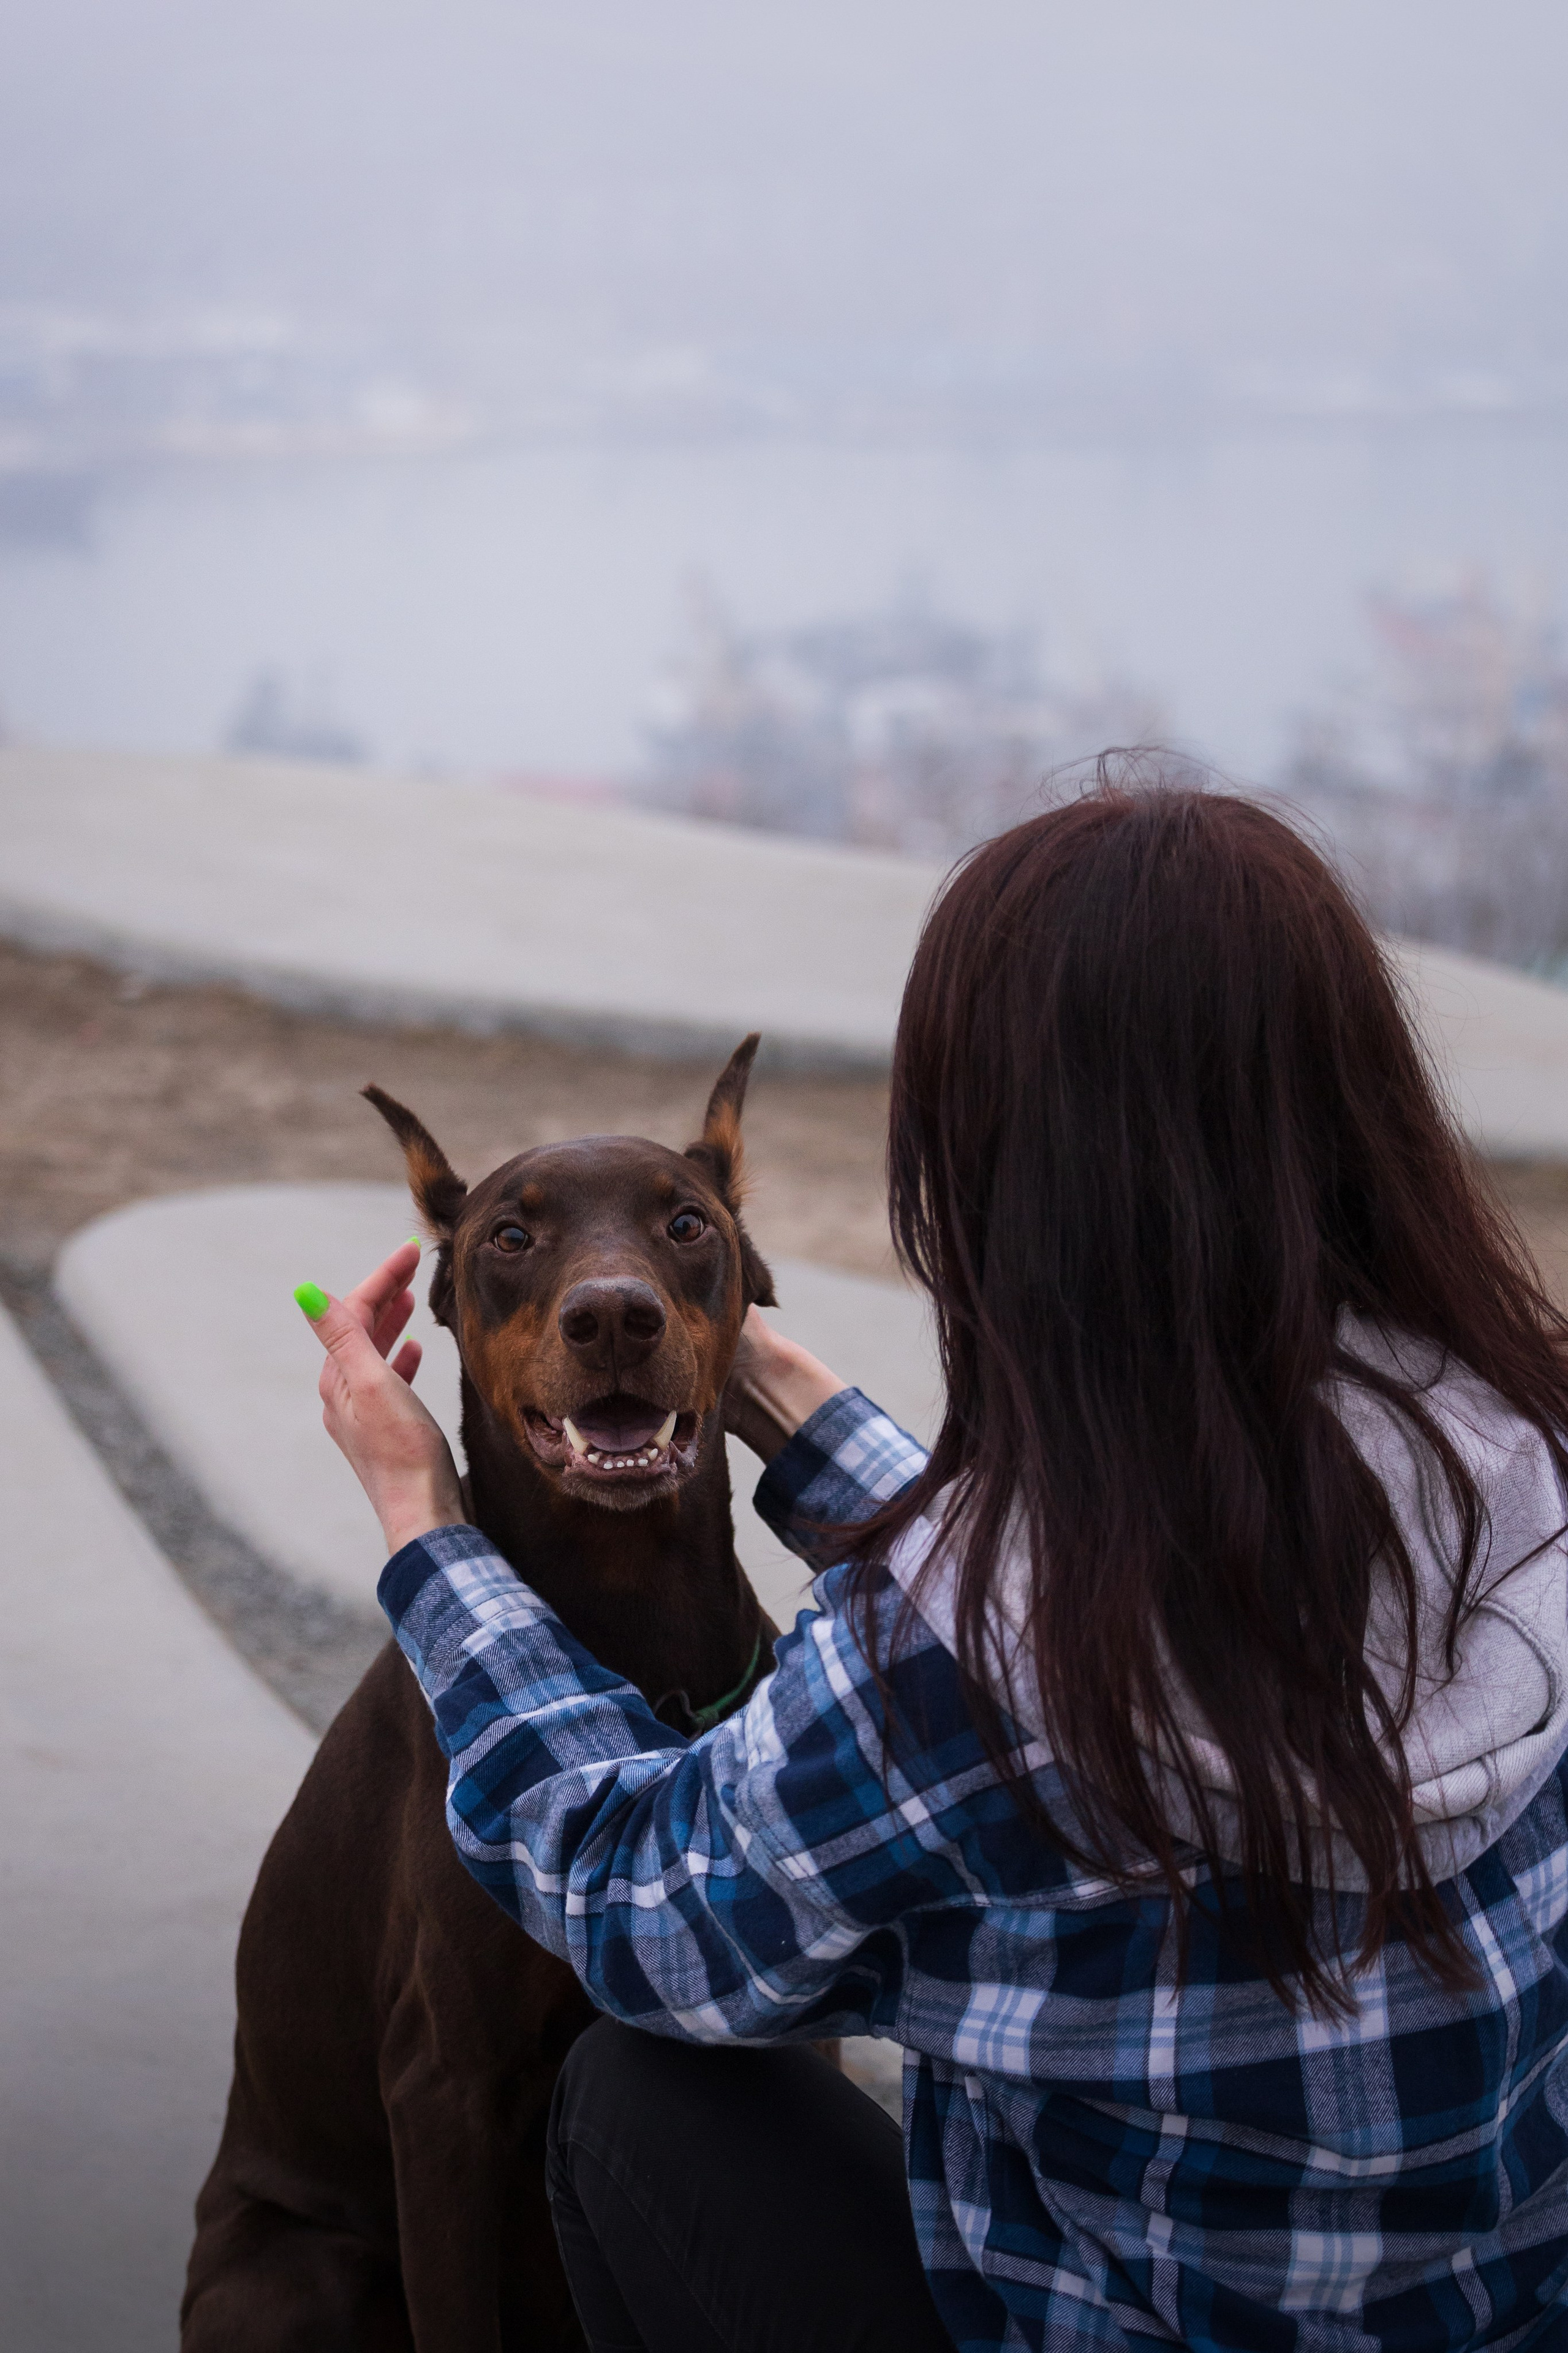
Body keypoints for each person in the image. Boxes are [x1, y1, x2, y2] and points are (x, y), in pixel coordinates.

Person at [300, 782, 1568, 2352]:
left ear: (999, 1175)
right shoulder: (1521, 1468)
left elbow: (637, 1903)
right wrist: (811, 1419)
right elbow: (1128, 1591)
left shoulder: (934, 1671)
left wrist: (424, 1523)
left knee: (639, 2082)